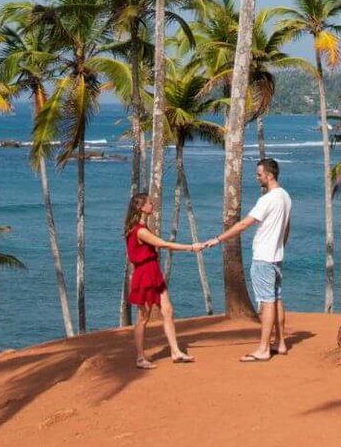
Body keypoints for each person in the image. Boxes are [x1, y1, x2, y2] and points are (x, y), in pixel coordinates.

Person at [203, 158, 291, 362]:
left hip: (264, 258)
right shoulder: (285, 197)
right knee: (276, 298)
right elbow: (287, 228)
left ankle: (263, 349)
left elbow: (244, 224)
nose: (257, 177)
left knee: (267, 302)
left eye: (259, 174)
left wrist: (218, 239)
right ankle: (280, 343)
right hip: (276, 257)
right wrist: (280, 247)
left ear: (269, 175)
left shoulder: (267, 199)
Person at [124, 191, 200, 369]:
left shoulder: (143, 227)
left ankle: (176, 352)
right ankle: (140, 358)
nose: (152, 205)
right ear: (141, 207)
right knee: (143, 317)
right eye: (149, 203)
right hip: (145, 275)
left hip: (153, 272)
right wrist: (191, 247)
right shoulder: (140, 231)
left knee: (168, 311)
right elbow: (163, 244)